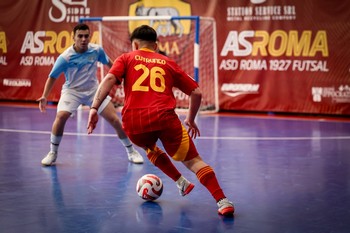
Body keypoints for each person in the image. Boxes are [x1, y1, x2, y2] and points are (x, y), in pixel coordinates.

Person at [87, 25, 234, 216]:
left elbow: (108, 80)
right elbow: (196, 93)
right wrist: (190, 119)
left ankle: (181, 182)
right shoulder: (167, 62)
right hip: (165, 118)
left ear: (135, 44)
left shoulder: (125, 58)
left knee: (149, 147)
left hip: (134, 122)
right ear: (155, 46)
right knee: (194, 161)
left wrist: (93, 108)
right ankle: (223, 201)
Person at [37, 23, 144, 166]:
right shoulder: (65, 57)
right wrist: (44, 96)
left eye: (86, 36)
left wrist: (122, 76)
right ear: (73, 37)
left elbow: (111, 64)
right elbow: (52, 77)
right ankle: (53, 152)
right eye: (80, 36)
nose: (83, 39)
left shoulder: (96, 51)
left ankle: (131, 152)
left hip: (94, 91)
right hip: (72, 91)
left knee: (115, 120)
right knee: (61, 116)